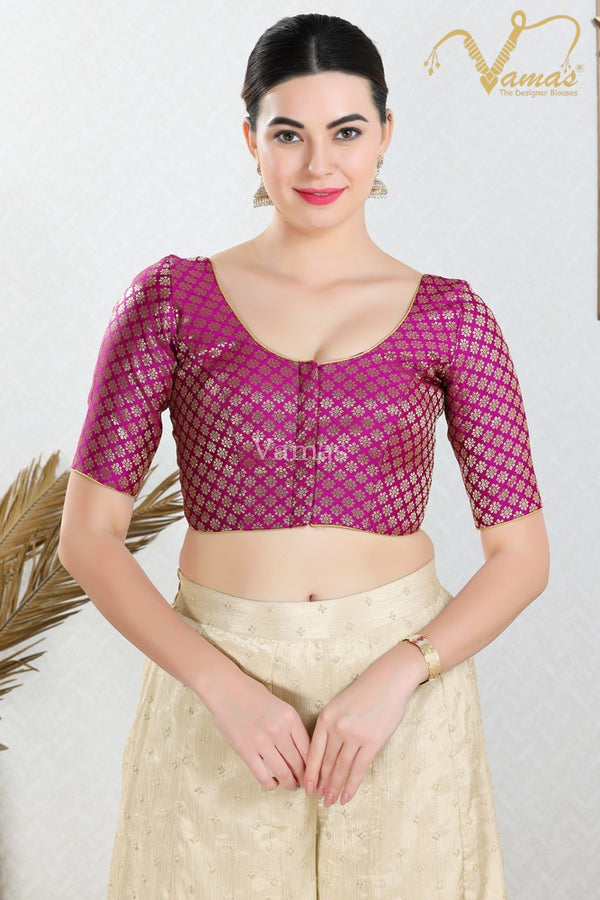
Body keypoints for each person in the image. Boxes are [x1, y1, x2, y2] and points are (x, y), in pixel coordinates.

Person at [58, 12, 549, 900]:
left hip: (403, 696)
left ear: (386, 134)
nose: (319, 164)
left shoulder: (453, 317)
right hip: (218, 686)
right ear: (250, 139)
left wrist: (402, 673)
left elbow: (522, 556)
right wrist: (221, 686)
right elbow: (87, 539)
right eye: (289, 134)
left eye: (346, 132)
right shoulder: (169, 300)